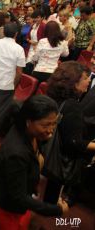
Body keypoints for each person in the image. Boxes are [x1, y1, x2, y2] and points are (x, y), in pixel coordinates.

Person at [0, 95, 69, 230]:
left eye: (54, 123)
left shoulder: (31, 133)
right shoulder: (16, 152)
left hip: (20, 202)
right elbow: (19, 197)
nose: (51, 130)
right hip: (6, 208)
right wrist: (57, 210)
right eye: (46, 125)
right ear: (28, 122)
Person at [44, 61, 95, 205]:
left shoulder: (53, 95)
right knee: (50, 204)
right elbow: (73, 143)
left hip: (44, 150)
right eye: (86, 78)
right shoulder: (72, 107)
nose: (89, 81)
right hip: (59, 158)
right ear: (74, 82)